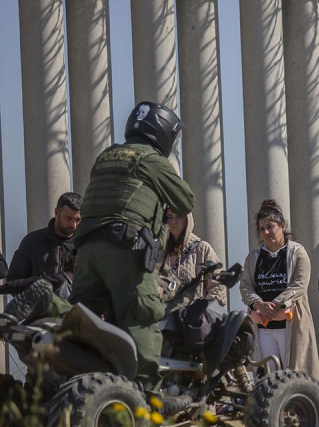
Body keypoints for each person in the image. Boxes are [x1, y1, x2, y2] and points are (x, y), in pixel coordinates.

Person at [7, 103, 195, 387]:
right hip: (123, 249)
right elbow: (185, 200)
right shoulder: (151, 159)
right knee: (142, 317)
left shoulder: (107, 156)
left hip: (87, 250)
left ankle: (48, 304)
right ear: (161, 132)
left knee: (83, 318)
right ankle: (147, 401)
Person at [240, 200, 319, 382]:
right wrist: (259, 304)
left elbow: (300, 284)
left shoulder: (297, 252)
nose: (266, 232)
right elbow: (245, 286)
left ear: (282, 226)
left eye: (270, 227)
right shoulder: (253, 258)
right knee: (267, 378)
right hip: (263, 327)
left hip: (290, 324)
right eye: (262, 229)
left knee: (293, 377)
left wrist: (277, 305)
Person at [5, 192, 82, 299]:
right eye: (68, 218)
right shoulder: (32, 241)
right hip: (41, 313)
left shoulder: (85, 244)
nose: (73, 225)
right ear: (56, 212)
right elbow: (13, 282)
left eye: (78, 220)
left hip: (78, 313)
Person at [156, 208, 227, 306]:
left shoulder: (202, 248)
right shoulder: (160, 251)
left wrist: (201, 309)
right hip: (164, 317)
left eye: (178, 217)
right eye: (170, 217)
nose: (173, 221)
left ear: (187, 219)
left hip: (190, 317)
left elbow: (218, 286)